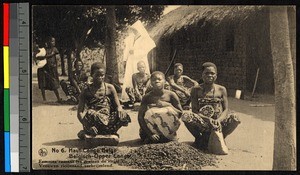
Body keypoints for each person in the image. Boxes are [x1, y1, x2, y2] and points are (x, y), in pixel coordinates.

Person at [182, 62, 240, 149]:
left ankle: (221, 137)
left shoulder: (222, 89)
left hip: (219, 123)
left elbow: (226, 109)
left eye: (212, 73)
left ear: (216, 75)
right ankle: (199, 139)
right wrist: (208, 119)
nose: (209, 75)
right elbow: (195, 111)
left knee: (235, 118)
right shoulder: (195, 90)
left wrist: (219, 120)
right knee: (186, 116)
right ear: (202, 75)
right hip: (203, 122)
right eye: (206, 73)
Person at [77, 62, 131, 145]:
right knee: (90, 112)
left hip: (107, 119)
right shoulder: (86, 91)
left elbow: (118, 106)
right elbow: (79, 113)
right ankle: (90, 131)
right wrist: (88, 126)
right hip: (93, 121)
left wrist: (120, 110)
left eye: (102, 75)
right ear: (91, 75)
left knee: (124, 115)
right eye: (97, 75)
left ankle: (105, 131)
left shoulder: (110, 88)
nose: (100, 77)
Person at [138, 71, 183, 143]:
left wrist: (168, 105)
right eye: (153, 80)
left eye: (159, 79)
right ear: (151, 82)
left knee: (169, 110)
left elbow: (180, 113)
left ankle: (167, 136)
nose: (156, 81)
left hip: (168, 130)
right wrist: (150, 134)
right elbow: (140, 117)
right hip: (150, 131)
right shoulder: (147, 97)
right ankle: (153, 137)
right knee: (150, 112)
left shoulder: (171, 95)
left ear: (164, 81)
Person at [36, 37, 62, 102]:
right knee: (43, 84)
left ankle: (58, 98)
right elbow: (37, 56)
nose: (53, 42)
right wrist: (46, 56)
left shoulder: (55, 49)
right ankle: (44, 99)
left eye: (54, 41)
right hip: (44, 68)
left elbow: (58, 59)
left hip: (52, 69)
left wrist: (57, 67)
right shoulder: (44, 50)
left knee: (54, 84)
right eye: (52, 41)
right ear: (49, 42)